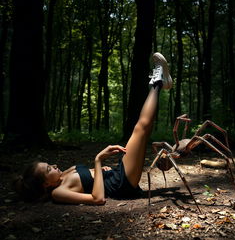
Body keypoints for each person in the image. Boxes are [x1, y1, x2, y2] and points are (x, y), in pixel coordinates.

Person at [14, 52, 173, 204]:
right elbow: (97, 199)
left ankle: (160, 82)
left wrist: (100, 170)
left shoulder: (65, 174)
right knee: (141, 128)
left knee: (143, 131)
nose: (54, 166)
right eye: (49, 169)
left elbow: (91, 178)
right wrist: (98, 160)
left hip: (115, 174)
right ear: (45, 185)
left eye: (50, 164)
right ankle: (158, 81)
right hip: (120, 185)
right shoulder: (58, 193)